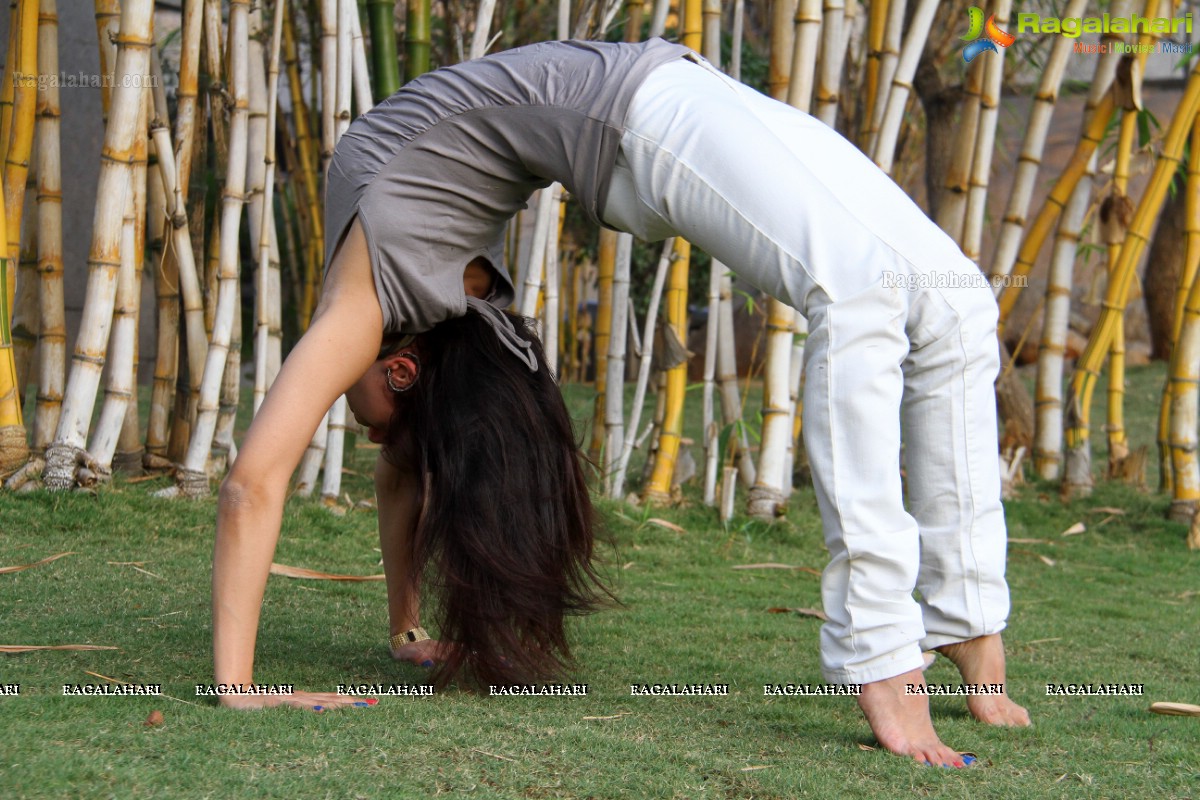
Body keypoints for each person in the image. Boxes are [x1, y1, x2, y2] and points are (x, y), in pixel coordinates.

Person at [212, 37, 1030, 766]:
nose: (343, 411)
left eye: (361, 420)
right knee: (863, 290)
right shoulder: (440, 318)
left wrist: (240, 688)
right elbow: (406, 466)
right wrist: (406, 632)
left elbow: (253, 482)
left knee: (956, 301)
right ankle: (884, 649)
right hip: (655, 111)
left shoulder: (363, 309)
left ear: (396, 372)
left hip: (659, 103)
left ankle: (963, 622)